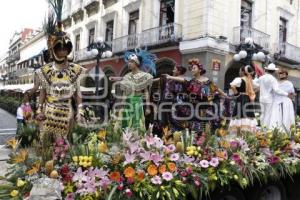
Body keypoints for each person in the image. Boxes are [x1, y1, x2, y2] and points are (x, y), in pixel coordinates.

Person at [33, 5, 86, 156]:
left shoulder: (75, 70)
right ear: (54, 50)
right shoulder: (46, 70)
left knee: (63, 144)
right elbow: (42, 92)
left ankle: (62, 168)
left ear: (68, 50)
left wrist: (80, 111)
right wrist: (39, 109)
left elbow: (78, 94)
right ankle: (46, 169)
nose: (62, 51)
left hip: (66, 111)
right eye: (59, 48)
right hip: (49, 111)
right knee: (45, 144)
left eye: (65, 48)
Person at [166, 58, 227, 134]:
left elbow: (216, 89)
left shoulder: (207, 81)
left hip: (205, 107)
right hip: (194, 108)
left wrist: (225, 95)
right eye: (191, 68)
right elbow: (183, 80)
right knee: (194, 126)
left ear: (199, 70)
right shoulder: (192, 81)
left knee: (205, 126)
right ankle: (194, 140)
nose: (192, 70)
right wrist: (170, 77)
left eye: (194, 68)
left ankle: (203, 140)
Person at [112, 49, 156, 134]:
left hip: (137, 103)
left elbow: (146, 92)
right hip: (127, 104)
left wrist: (147, 107)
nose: (129, 64)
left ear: (137, 63)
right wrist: (122, 105)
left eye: (131, 62)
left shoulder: (144, 76)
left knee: (137, 125)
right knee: (126, 126)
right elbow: (125, 93)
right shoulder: (127, 77)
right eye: (128, 62)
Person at [253, 63, 290, 129]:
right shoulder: (273, 79)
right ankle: (265, 129)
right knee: (268, 114)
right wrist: (286, 94)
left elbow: (255, 84)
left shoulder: (261, 77)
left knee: (262, 114)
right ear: (273, 71)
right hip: (269, 99)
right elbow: (276, 90)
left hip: (261, 98)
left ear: (267, 70)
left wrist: (259, 85)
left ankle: (261, 127)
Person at [229, 65, 257, 134]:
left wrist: (237, 94)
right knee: (247, 114)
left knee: (240, 113)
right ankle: (246, 134)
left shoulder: (239, 79)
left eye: (240, 70)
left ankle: (238, 133)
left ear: (242, 71)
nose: (239, 72)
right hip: (248, 99)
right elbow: (257, 87)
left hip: (241, 98)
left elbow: (232, 86)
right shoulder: (250, 80)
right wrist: (250, 93)